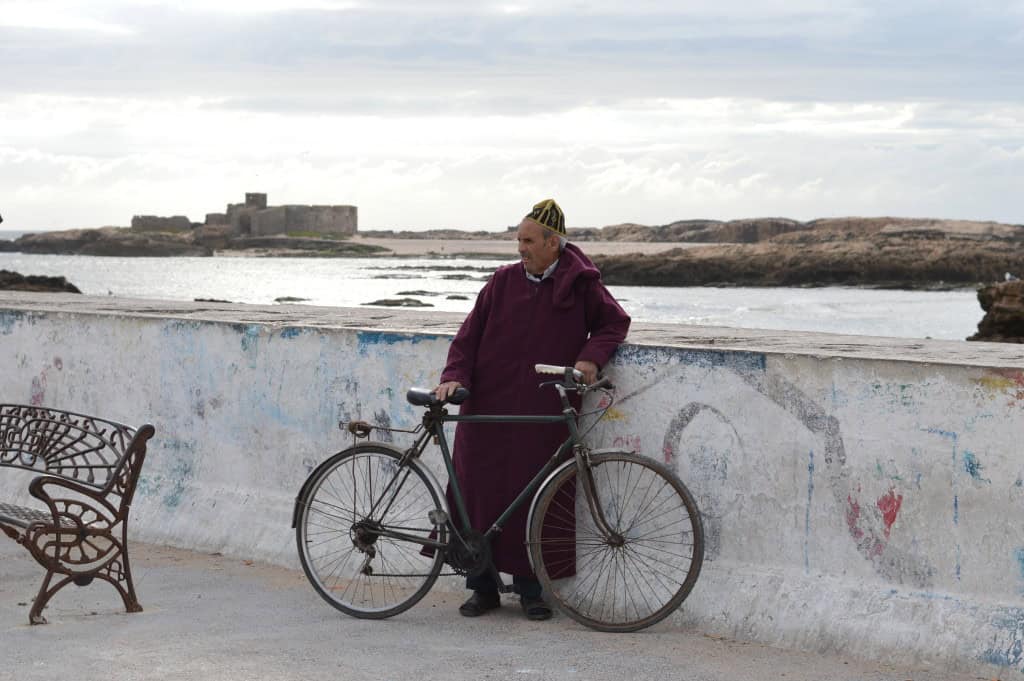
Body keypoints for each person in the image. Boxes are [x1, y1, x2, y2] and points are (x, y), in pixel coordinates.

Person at [434, 198, 630, 620]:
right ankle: (481, 586)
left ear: (552, 243)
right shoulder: (501, 282)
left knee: (538, 496)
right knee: (477, 495)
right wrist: (454, 376)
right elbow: (467, 337)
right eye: (518, 240)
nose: (519, 248)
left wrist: (590, 358)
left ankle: (531, 590)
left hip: (543, 408)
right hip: (487, 405)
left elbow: (614, 322)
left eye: (527, 240)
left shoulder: (583, 284)